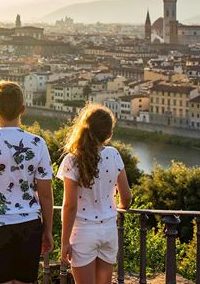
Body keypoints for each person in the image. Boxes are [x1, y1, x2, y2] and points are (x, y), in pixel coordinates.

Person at [0, 81, 54, 284]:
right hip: (29, 225)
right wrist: (47, 230)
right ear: (23, 109)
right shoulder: (38, 143)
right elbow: (46, 194)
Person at [57, 104, 131, 284]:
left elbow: (70, 206)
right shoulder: (113, 155)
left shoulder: (72, 160)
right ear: (108, 133)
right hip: (109, 230)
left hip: (83, 231)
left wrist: (64, 241)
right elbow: (126, 197)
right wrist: (118, 208)